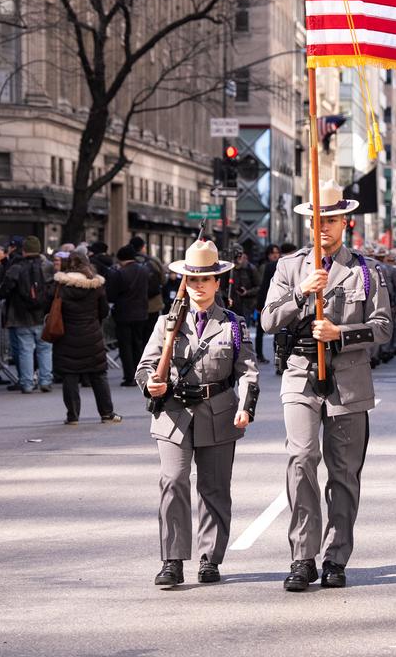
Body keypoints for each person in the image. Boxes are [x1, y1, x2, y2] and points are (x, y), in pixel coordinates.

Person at [261, 182, 391, 592]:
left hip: (348, 380)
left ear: (345, 223)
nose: (323, 227)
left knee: (344, 474)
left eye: (331, 220)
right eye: (316, 220)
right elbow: (267, 320)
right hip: (301, 375)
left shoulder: (367, 271)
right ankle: (302, 556)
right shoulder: (288, 267)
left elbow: (384, 328)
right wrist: (302, 293)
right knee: (300, 459)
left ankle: (336, 557)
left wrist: (340, 332)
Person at [137, 239, 260, 587]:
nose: (200, 285)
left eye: (206, 279)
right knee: (173, 481)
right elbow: (145, 366)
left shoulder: (233, 324)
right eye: (193, 279)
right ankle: (172, 559)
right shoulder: (167, 322)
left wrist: (246, 407)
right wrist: (151, 384)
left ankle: (209, 558)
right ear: (185, 283)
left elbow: (248, 370)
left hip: (218, 411)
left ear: (218, 282)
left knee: (214, 488)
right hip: (173, 414)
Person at [53, 253, 122, 425]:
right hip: (92, 335)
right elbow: (104, 311)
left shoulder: (61, 285)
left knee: (70, 376)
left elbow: (50, 305)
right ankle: (107, 413)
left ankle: (73, 416)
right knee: (99, 375)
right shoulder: (96, 286)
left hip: (67, 336)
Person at [0, 236, 55, 394]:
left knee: (25, 350)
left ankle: (27, 383)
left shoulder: (16, 267)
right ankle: (45, 380)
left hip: (21, 316)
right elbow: (53, 290)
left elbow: (5, 289)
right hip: (43, 315)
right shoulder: (48, 267)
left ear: (23, 250)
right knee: (45, 349)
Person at [107, 245, 152, 387]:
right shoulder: (144, 270)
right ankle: (141, 374)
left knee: (125, 345)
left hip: (124, 313)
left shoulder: (119, 273)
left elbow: (112, 295)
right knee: (138, 343)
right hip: (141, 312)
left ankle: (129, 376)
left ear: (120, 258)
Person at [254, 244, 281, 363]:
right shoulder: (266, 267)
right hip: (266, 303)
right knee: (261, 330)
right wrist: (260, 305)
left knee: (277, 332)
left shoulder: (279, 265)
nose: (275, 255)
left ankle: (277, 357)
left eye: (277, 252)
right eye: (272, 253)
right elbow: (263, 286)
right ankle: (260, 354)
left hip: (276, 303)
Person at [229, 248, 260, 324]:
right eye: (237, 256)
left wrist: (247, 292)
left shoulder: (250, 269)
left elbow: (258, 287)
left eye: (240, 255)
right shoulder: (229, 269)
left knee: (244, 328)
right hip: (231, 305)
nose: (239, 258)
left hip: (247, 304)